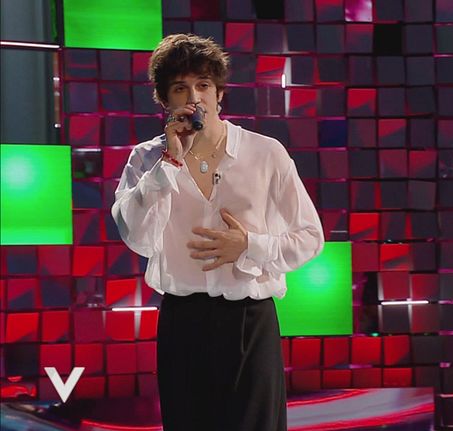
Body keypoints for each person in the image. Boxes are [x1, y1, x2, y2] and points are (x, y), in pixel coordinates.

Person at [111, 34, 324, 431]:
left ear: (219, 94)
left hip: (249, 318)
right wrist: (168, 164)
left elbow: (310, 237)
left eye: (203, 85)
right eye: (181, 88)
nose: (194, 97)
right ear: (165, 100)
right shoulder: (146, 158)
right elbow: (135, 235)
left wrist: (250, 245)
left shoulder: (265, 153)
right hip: (183, 319)